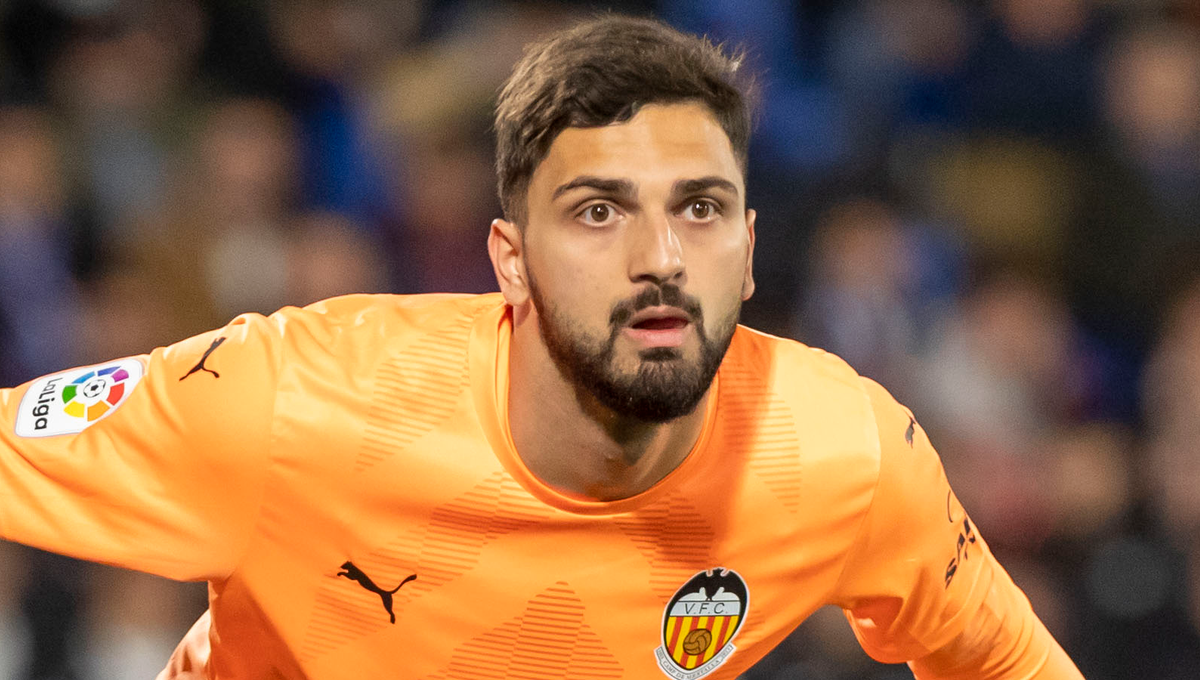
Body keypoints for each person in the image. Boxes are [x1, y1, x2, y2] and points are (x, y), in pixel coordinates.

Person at [0, 15, 1082, 680]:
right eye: (600, 212)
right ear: (509, 262)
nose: (662, 257)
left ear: (750, 254)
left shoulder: (846, 455)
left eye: (701, 208)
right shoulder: (289, 402)